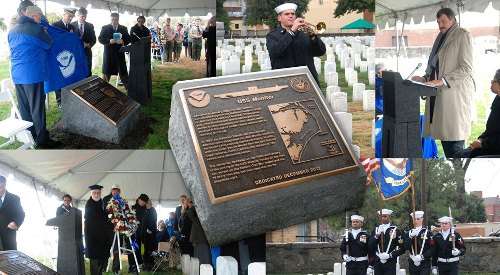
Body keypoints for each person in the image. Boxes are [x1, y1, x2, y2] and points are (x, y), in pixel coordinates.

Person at [411, 8, 475, 158]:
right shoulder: (441, 37)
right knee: (447, 141)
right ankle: (456, 174)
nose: (440, 24)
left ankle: (460, 176)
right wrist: (425, 79)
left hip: (455, 95)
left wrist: (443, 80)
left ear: (453, 20)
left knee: (455, 143)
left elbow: (466, 68)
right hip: (440, 94)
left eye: (443, 21)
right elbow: (436, 65)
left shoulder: (463, 35)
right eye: (438, 22)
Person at [8, 5, 61, 148]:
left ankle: (31, 135)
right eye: (40, 18)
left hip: (17, 74)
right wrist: (44, 32)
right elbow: (49, 44)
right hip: (32, 74)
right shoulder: (36, 29)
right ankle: (43, 139)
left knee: (24, 107)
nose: (40, 20)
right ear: (33, 16)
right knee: (37, 108)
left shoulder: (12, 31)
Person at [266, 3, 326, 85]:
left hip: (308, 80)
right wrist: (292, 31)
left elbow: (321, 52)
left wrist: (313, 36)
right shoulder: (273, 36)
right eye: (287, 14)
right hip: (284, 81)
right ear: (279, 18)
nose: (291, 16)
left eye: (293, 14)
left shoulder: (305, 34)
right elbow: (275, 52)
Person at [455, 69, 500, 157]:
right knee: (459, 154)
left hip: (496, 150)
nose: (491, 83)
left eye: (493, 81)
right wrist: (480, 140)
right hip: (491, 145)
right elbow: (491, 130)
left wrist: (482, 143)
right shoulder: (497, 99)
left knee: (460, 157)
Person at [51, 7, 77, 108]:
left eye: (72, 16)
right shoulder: (55, 25)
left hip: (68, 55)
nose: (70, 18)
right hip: (58, 56)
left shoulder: (72, 27)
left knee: (67, 76)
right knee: (59, 78)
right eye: (69, 16)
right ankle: (60, 100)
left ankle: (68, 97)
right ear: (64, 14)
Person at [368, 209, 406, 275]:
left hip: (390, 261)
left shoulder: (396, 230)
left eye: (385, 216)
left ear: (389, 217)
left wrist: (390, 255)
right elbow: (370, 246)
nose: (383, 218)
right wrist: (377, 235)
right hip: (378, 261)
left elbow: (402, 248)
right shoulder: (375, 230)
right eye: (381, 216)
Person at [84, 184, 112, 275]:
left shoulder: (101, 202)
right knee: (95, 260)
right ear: (91, 193)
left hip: (102, 237)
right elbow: (97, 219)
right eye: (94, 193)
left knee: (101, 259)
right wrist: (109, 220)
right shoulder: (89, 204)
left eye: (98, 193)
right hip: (93, 237)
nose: (96, 194)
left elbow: (104, 216)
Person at [98, 12, 131, 87]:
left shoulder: (123, 28)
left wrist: (123, 41)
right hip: (109, 54)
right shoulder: (105, 28)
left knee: (124, 74)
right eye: (112, 19)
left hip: (120, 54)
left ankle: (130, 92)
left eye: (115, 20)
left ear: (118, 20)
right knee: (106, 75)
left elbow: (128, 38)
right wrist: (109, 41)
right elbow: (100, 39)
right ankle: (103, 91)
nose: (113, 21)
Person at [101, 185, 124, 275]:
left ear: (119, 191)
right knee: (105, 248)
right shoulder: (106, 199)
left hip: (117, 229)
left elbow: (123, 214)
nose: (115, 191)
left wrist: (119, 226)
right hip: (106, 228)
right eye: (114, 190)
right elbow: (103, 212)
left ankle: (115, 268)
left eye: (117, 190)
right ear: (111, 190)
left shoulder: (121, 201)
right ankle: (103, 266)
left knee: (117, 249)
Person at [0, 175, 25, 251]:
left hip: (8, 235)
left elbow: (21, 214)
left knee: (9, 259)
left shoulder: (14, 198)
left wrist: (16, 223)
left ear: (4, 184)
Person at [406, 211, 434, 275]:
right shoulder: (409, 233)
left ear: (422, 219)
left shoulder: (428, 233)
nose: (416, 221)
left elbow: (432, 248)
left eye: (418, 219)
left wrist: (422, 256)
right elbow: (405, 246)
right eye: (414, 219)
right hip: (412, 261)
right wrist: (411, 236)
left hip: (424, 262)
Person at [72, 7, 96, 78]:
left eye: (85, 16)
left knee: (88, 71)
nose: (84, 18)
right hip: (75, 52)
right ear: (78, 15)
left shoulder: (90, 26)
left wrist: (88, 44)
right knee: (76, 70)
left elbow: (93, 39)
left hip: (87, 52)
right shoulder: (72, 25)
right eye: (82, 16)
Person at [187, 200, 211, 265]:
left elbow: (190, 214)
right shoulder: (198, 216)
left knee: (202, 256)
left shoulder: (199, 216)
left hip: (200, 237)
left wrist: (192, 207)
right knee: (202, 255)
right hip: (200, 238)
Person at [143, 199, 158, 270]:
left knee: (151, 248)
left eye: (147, 202)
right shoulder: (146, 210)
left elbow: (153, 220)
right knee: (146, 248)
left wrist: (149, 229)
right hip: (146, 233)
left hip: (151, 232)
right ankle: (145, 263)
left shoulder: (153, 210)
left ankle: (151, 264)